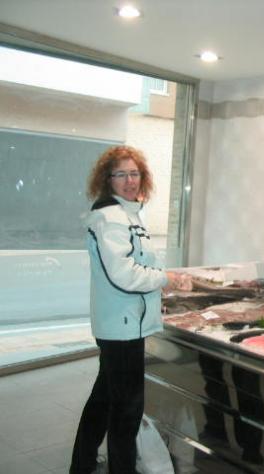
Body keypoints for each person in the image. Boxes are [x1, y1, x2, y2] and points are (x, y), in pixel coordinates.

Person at [70, 145, 190, 474]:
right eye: (120, 174)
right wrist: (165, 279)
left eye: (134, 173)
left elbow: (135, 264)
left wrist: (161, 280)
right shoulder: (110, 218)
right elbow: (123, 274)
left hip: (122, 322)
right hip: (121, 326)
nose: (129, 180)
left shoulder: (128, 213)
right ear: (107, 179)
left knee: (104, 399)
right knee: (127, 411)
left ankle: (81, 464)